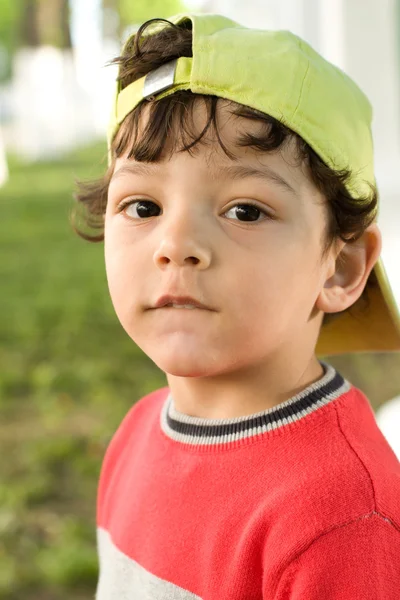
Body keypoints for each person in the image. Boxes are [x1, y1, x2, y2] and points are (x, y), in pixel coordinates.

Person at [73, 14, 400, 599]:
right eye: (143, 206)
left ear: (343, 266)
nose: (176, 246)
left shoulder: (342, 523)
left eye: (245, 211)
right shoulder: (136, 435)